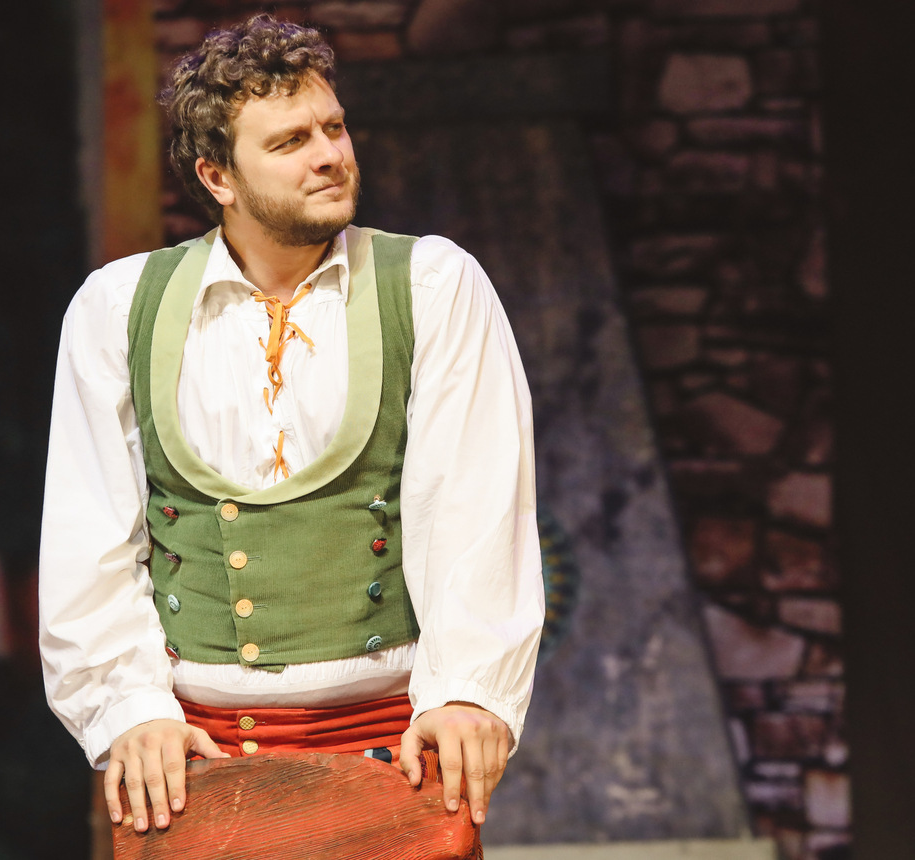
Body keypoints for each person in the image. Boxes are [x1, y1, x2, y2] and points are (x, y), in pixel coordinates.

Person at [39, 13, 543, 841]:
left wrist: (468, 693)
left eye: (333, 128)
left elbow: (475, 507)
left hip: (395, 746)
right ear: (218, 176)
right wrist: (126, 709)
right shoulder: (118, 307)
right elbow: (87, 533)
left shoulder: (431, 286)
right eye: (290, 142)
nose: (329, 155)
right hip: (195, 754)